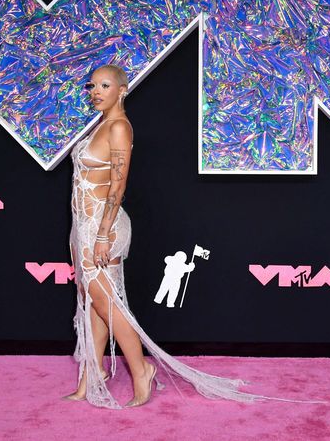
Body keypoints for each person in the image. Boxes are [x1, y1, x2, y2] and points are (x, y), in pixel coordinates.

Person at [62, 64, 277, 409]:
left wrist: (102, 235)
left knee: (106, 304)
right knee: (95, 304)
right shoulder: (101, 125)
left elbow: (118, 186)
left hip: (104, 226)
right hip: (84, 226)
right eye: (92, 86)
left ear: (122, 89)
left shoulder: (118, 128)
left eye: (105, 85)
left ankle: (141, 370)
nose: (96, 92)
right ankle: (92, 375)